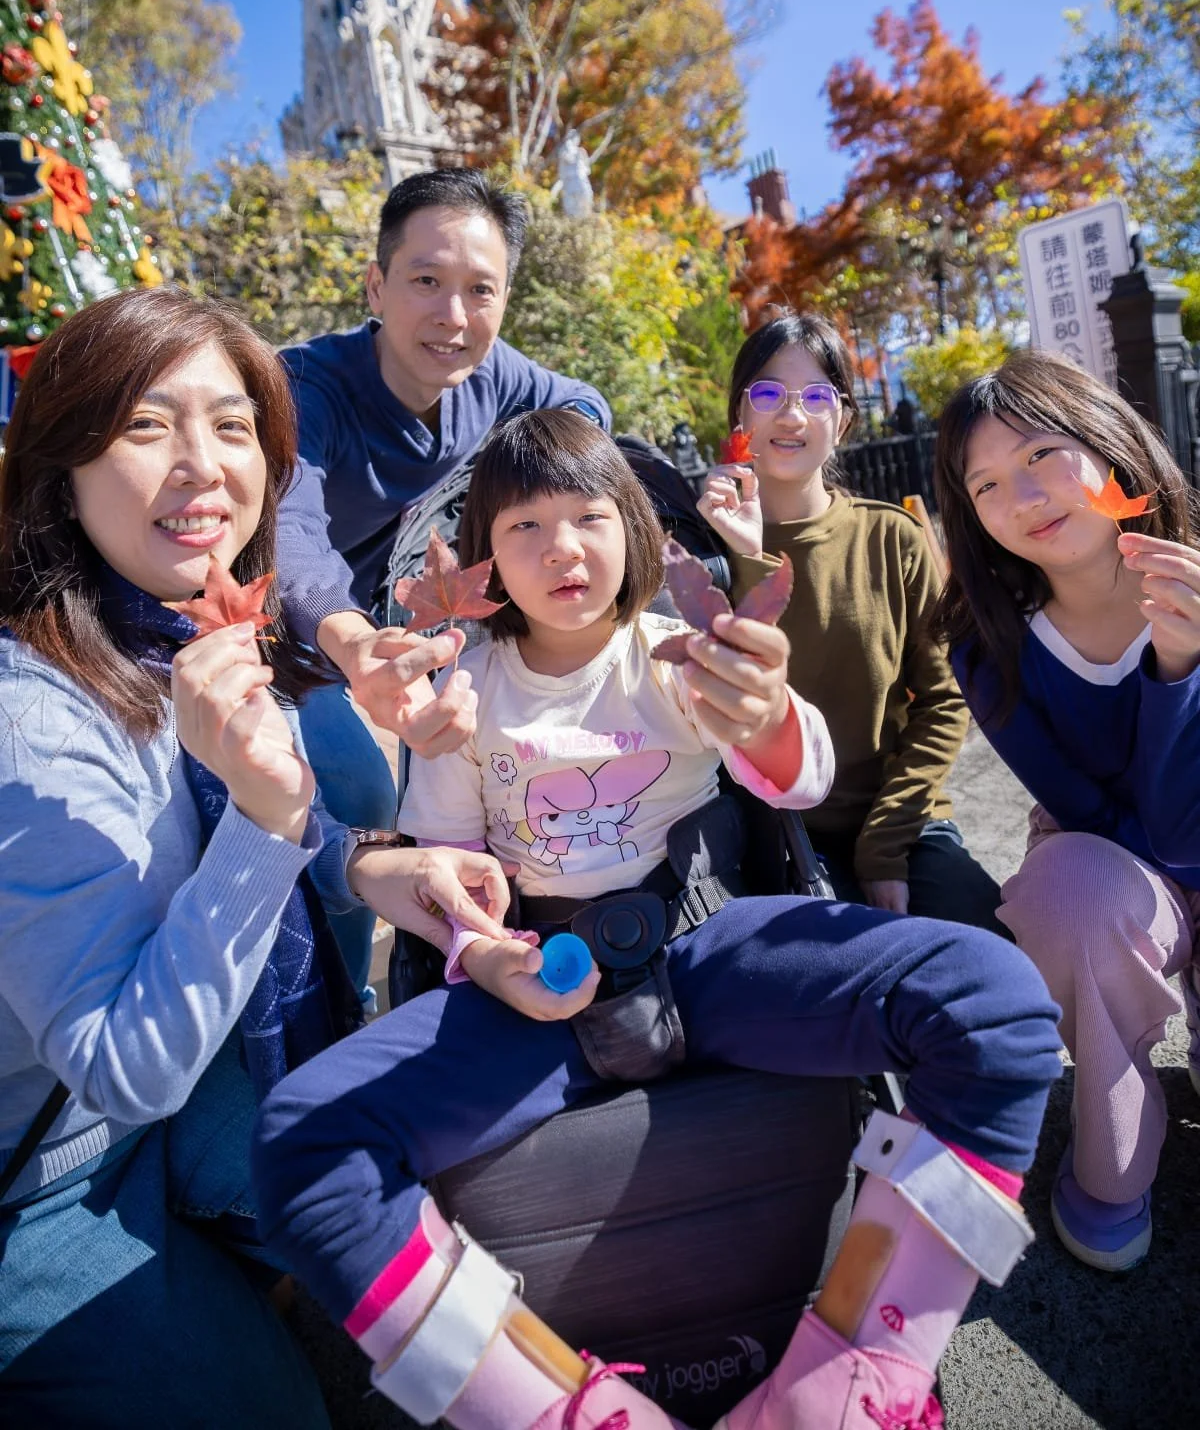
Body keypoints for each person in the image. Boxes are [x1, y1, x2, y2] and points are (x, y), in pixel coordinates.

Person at [253, 408, 1062, 1430]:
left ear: (635, 528)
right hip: (533, 978)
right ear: (488, 558)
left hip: (700, 944)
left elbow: (799, 775)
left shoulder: (677, 652)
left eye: (588, 516)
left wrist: (766, 714)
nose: (562, 549)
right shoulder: (469, 687)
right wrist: (481, 947)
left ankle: (857, 1376)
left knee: (995, 1000)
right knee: (300, 1147)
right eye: (525, 529)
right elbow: (445, 874)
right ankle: (567, 1414)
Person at [0, 290, 510, 1429]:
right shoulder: (28, 725)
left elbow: (219, 827)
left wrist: (373, 866)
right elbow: (123, 1068)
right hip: (45, 1171)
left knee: (419, 1192)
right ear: (60, 467)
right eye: (145, 426)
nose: (202, 467)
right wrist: (270, 822)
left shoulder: (168, 626)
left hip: (176, 1090)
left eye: (233, 428)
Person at [276, 167, 611, 987]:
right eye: (426, 281)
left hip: (428, 631)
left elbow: (586, 408)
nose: (454, 317)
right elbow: (289, 531)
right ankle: (342, 998)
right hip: (291, 634)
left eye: (480, 290)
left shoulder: (497, 379)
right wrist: (352, 644)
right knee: (354, 786)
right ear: (377, 284)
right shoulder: (303, 387)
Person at [931, 349, 1200, 1274]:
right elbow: (1105, 818)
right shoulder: (992, 646)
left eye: (1043, 453)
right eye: (988, 484)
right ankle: (1112, 1157)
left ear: (1107, 441)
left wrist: (1182, 666)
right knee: (1069, 894)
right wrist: (1172, 680)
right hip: (1113, 861)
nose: (1025, 494)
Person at [697, 312, 1000, 929]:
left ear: (844, 419)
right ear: (740, 418)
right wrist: (747, 560)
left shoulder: (893, 536)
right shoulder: (697, 554)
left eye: (816, 396)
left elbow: (945, 700)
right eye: (768, 394)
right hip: (768, 834)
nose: (792, 415)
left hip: (899, 820)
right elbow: (735, 703)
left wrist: (885, 845)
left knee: (990, 954)